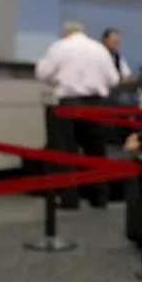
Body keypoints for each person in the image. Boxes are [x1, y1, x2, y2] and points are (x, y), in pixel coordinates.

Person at [35, 21, 119, 210]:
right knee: (96, 152)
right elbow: (114, 79)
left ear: (65, 33)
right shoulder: (99, 49)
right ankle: (99, 198)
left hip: (69, 104)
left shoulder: (60, 47)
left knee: (67, 152)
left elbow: (42, 73)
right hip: (96, 104)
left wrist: (58, 80)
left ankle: (69, 199)